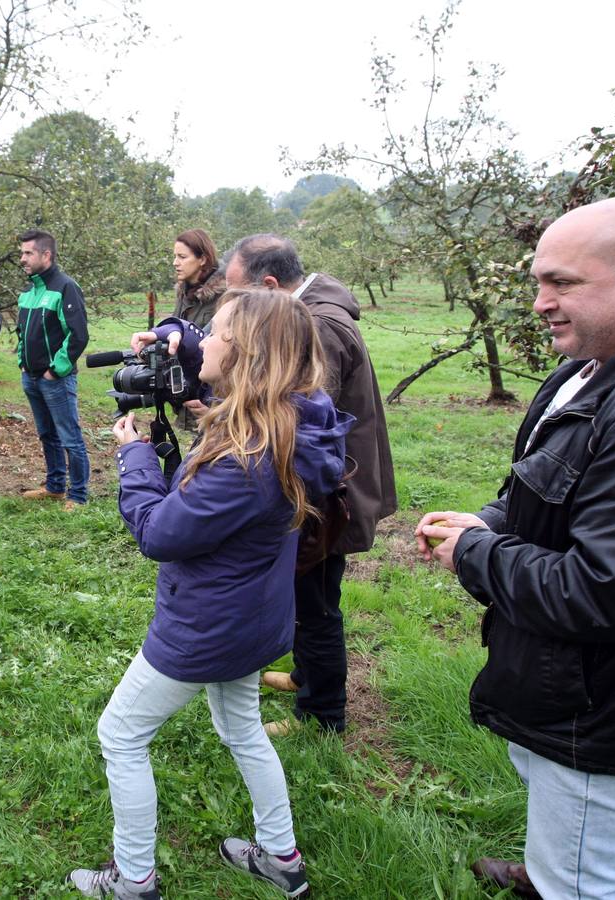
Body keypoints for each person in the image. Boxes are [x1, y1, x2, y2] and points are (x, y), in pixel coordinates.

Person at [416, 197, 615, 900]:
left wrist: (474, 555)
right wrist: (487, 522)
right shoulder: (600, 366)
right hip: (575, 683)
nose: (540, 303)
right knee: (563, 824)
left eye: (562, 283)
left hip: (610, 700)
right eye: (539, 282)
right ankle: (545, 871)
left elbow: (604, 593)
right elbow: (553, 487)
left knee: (591, 879)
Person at [68, 288, 350, 899]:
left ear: (245, 354)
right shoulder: (290, 422)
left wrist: (137, 457)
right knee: (242, 728)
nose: (205, 340)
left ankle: (134, 880)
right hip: (253, 616)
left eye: (216, 332)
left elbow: (160, 532)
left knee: (120, 734)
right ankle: (282, 856)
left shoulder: (246, 458)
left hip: (207, 626)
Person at [219, 234, 396, 735]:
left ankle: (323, 716)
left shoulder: (316, 326)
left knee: (314, 603)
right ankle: (306, 676)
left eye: (238, 295)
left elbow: (300, 419)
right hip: (326, 485)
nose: (234, 307)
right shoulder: (315, 310)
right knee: (308, 594)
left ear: (270, 286)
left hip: (325, 496)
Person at [14, 228, 90, 509]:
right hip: (31, 378)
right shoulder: (29, 292)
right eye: (21, 253)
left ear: (46, 255)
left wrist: (55, 370)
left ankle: (78, 495)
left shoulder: (65, 287)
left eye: (27, 253)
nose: (22, 258)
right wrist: (23, 363)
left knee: (70, 436)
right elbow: (23, 333)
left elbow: (78, 335)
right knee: (47, 434)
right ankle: (55, 487)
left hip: (55, 379)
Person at [170, 228, 226, 331]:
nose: (175, 263)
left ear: (203, 260)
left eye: (182, 257)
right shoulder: (183, 291)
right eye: (175, 256)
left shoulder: (223, 296)